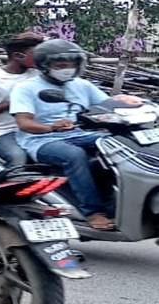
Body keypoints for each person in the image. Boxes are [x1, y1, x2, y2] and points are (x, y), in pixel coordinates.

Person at [10, 39, 140, 231]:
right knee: (74, 155)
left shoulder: (81, 85)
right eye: (61, 65)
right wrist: (52, 127)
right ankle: (93, 212)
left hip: (78, 133)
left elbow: (106, 105)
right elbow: (24, 123)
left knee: (118, 144)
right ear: (45, 65)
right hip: (40, 140)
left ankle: (120, 203)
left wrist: (126, 101)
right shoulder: (26, 88)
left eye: (73, 65)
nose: (68, 69)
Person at [0, 32, 42, 167]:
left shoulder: (39, 75)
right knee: (18, 158)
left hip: (39, 128)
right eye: (36, 54)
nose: (42, 58)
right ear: (17, 56)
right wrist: (15, 103)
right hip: (5, 132)